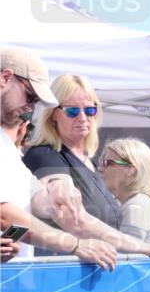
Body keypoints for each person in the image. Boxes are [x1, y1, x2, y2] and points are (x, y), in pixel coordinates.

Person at [0, 49, 127, 269]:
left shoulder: (9, 149)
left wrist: (10, 239)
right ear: (5, 78)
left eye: (90, 109)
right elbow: (5, 214)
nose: (31, 107)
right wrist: (76, 245)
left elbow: (17, 214)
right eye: (30, 96)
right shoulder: (34, 152)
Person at [22, 73, 122, 230]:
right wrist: (139, 246)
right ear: (53, 114)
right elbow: (72, 217)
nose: (82, 117)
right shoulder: (45, 155)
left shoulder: (89, 160)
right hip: (69, 252)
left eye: (89, 110)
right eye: (72, 111)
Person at [98, 138, 150, 242]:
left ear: (130, 170)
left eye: (107, 163)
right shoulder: (136, 203)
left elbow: (127, 254)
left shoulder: (136, 206)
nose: (100, 168)